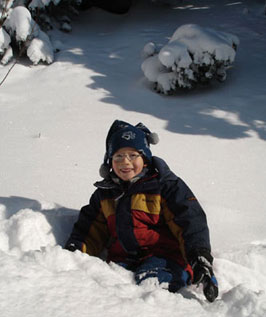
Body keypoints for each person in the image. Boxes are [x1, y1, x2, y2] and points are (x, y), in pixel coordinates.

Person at [65, 120, 218, 302]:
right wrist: (75, 252)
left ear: (144, 158)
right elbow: (90, 228)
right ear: (110, 161)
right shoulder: (105, 194)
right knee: (107, 287)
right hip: (122, 260)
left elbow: (189, 220)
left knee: (151, 286)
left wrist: (198, 255)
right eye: (118, 156)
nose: (125, 162)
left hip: (164, 255)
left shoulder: (165, 187)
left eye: (132, 155)